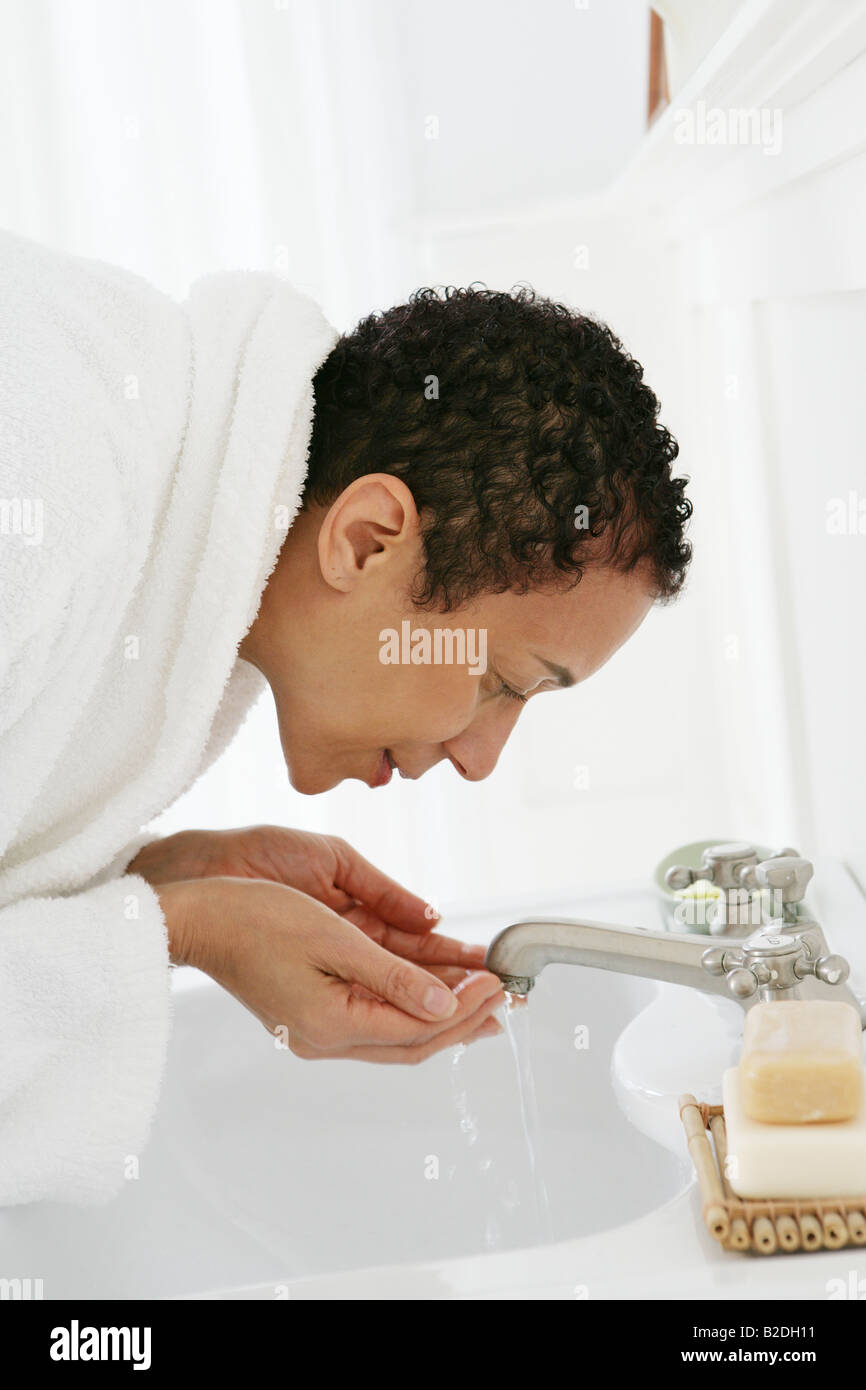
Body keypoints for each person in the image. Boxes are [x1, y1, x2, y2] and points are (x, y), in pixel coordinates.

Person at [0, 234, 691, 1204]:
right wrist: (178, 931)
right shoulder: (45, 465)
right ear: (366, 542)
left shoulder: (161, 512)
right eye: (497, 679)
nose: (483, 757)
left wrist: (153, 876)